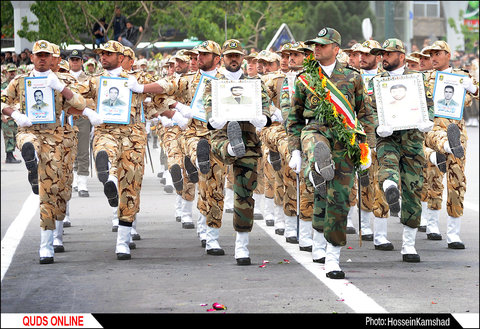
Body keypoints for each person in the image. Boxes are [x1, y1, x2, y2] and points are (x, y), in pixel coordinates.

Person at [1, 40, 101, 264]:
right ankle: (45, 244)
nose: (43, 58)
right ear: (33, 58)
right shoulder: (20, 81)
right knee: (44, 184)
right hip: (29, 130)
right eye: (39, 55)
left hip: (56, 138)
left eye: (47, 55)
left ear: (53, 58)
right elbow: (2, 100)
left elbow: (79, 102)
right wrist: (15, 115)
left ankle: (55, 230)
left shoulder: (61, 80)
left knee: (57, 190)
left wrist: (60, 88)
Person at [287, 28, 373, 279]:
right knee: (316, 146)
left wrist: (368, 148)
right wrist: (295, 150)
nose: (316, 49)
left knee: (339, 198)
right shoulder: (304, 79)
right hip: (314, 132)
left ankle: (332, 257)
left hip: (345, 142)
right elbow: (294, 120)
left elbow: (365, 114)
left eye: (322, 45)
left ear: (336, 49)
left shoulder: (352, 77)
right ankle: (314, 167)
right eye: (315, 45)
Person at [204, 39, 272, 265]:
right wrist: (215, 119)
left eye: (237, 56)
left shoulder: (254, 83)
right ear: (222, 58)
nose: (233, 60)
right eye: (229, 56)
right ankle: (231, 147)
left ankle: (241, 247)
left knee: (245, 193)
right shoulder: (213, 83)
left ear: (243, 58)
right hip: (221, 134)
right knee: (214, 185)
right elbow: (208, 115)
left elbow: (267, 108)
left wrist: (263, 118)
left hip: (249, 138)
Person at [368, 38, 435, 263]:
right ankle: (390, 188)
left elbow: (429, 105)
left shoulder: (417, 79)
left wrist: (428, 121)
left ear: (402, 56)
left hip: (413, 140)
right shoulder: (377, 81)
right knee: (387, 168)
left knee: (414, 190)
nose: (383, 58)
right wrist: (378, 124)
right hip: (387, 137)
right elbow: (369, 109)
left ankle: (408, 245)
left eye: (388, 54)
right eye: (381, 54)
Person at [421, 40, 479, 249]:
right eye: (430, 54)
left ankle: (454, 233)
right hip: (432, 132)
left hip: (456, 134)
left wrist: (472, 88)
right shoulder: (424, 78)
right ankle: (432, 224)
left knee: (457, 181)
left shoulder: (461, 76)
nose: (433, 58)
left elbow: (477, 94)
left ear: (448, 54)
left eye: (437, 53)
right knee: (432, 178)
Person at [69, 50, 91, 198]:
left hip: (83, 117)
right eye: (73, 59)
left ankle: (83, 182)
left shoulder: (88, 79)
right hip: (67, 117)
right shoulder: (63, 77)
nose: (75, 62)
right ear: (69, 61)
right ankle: (74, 179)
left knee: (83, 150)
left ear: (82, 62)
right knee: (70, 150)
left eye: (78, 60)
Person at [1, 63, 22, 163]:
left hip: (16, 114)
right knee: (8, 136)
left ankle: (11, 155)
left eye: (13, 71)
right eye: (10, 72)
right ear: (6, 73)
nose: (12, 73)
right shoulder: (4, 86)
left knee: (14, 136)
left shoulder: (18, 85)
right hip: (6, 114)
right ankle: (9, 157)